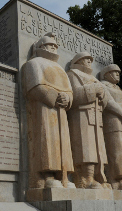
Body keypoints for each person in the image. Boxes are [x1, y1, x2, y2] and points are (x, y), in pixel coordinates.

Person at [67, 52, 122, 189]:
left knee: (98, 149)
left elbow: (109, 101)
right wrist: (92, 90)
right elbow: (73, 96)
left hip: (97, 117)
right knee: (86, 148)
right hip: (81, 115)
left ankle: (98, 177)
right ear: (78, 61)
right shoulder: (73, 74)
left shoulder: (94, 79)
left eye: (90, 60)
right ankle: (86, 178)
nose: (89, 62)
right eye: (86, 60)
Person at [22, 32, 75, 189]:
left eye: (55, 46)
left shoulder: (59, 68)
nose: (53, 48)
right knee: (47, 140)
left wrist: (68, 99)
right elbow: (34, 86)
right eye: (49, 45)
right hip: (44, 108)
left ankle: (63, 176)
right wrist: (54, 97)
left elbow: (70, 91)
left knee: (63, 142)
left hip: (62, 112)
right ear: (40, 47)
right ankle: (47, 176)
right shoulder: (34, 63)